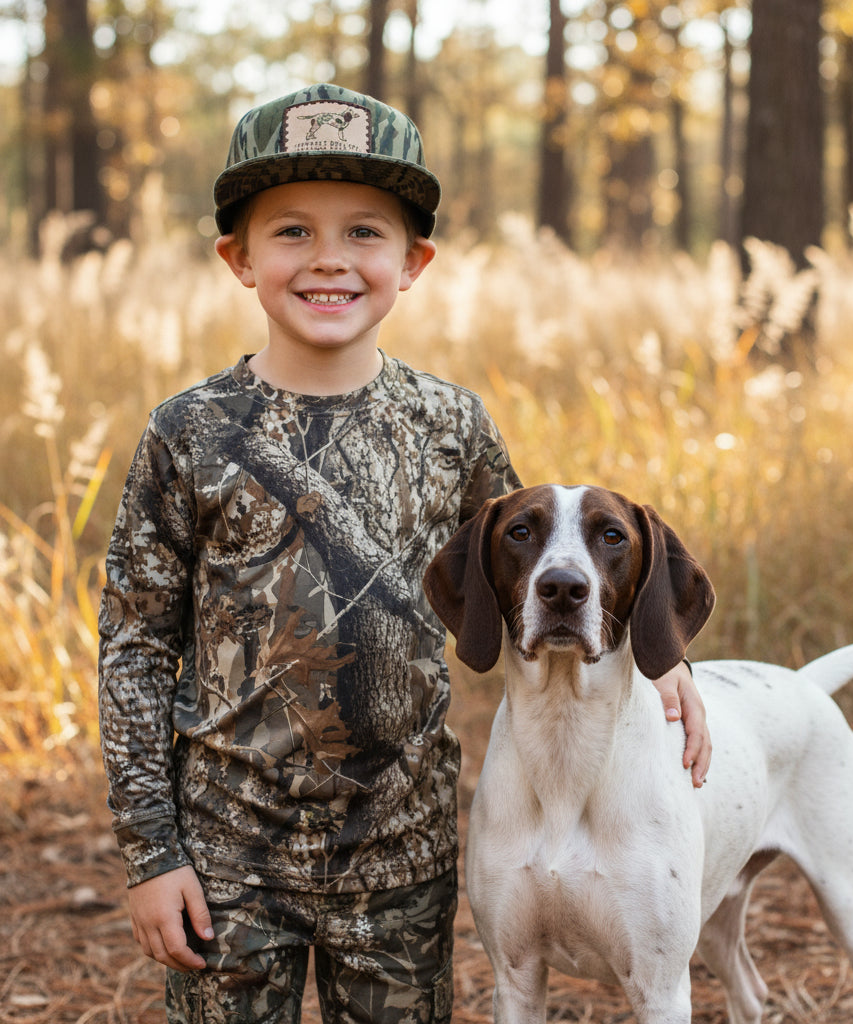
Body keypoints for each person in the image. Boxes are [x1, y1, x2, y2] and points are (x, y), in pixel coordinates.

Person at [98, 83, 710, 1024]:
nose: (330, 259)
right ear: (239, 257)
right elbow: (135, 648)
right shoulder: (187, 433)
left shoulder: (452, 426)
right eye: (292, 231)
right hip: (226, 859)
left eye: (365, 233)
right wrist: (153, 852)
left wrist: (669, 662)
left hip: (400, 857)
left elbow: (544, 573)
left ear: (414, 261)